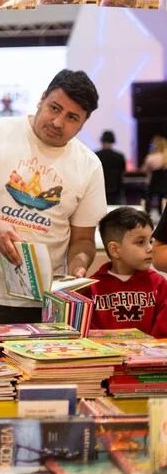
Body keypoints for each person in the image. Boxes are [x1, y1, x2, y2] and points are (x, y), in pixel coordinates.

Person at [0, 69, 106, 324]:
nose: (58, 122)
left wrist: (79, 266)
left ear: (83, 123)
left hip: (43, 301)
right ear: (41, 99)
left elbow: (83, 239)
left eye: (72, 117)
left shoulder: (89, 165)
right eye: (54, 108)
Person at [83, 207, 166, 336]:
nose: (150, 248)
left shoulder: (159, 284)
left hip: (150, 355)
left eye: (150, 241)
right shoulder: (91, 288)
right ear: (115, 249)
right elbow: (88, 332)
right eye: (140, 242)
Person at [96, 130, 126, 205]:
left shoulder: (95, 155)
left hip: (100, 189)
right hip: (116, 190)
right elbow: (123, 172)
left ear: (102, 140)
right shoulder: (120, 156)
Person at [142, 135, 167, 214]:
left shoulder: (150, 158)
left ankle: (146, 213)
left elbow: (143, 170)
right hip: (165, 187)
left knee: (145, 192)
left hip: (152, 186)